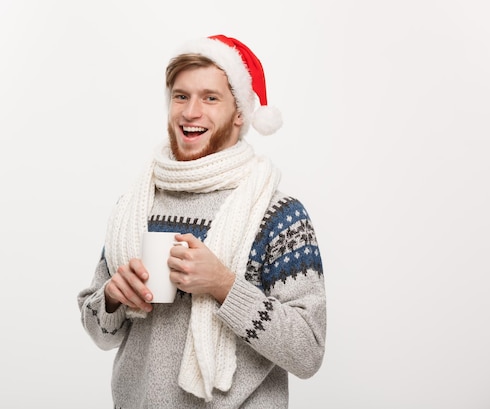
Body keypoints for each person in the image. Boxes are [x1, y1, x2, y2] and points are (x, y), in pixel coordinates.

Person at [77, 34, 326, 408]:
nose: (191, 112)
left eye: (210, 98)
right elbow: (101, 333)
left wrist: (224, 285)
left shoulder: (278, 215)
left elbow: (308, 351)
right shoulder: (135, 206)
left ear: (240, 112)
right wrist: (112, 297)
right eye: (181, 96)